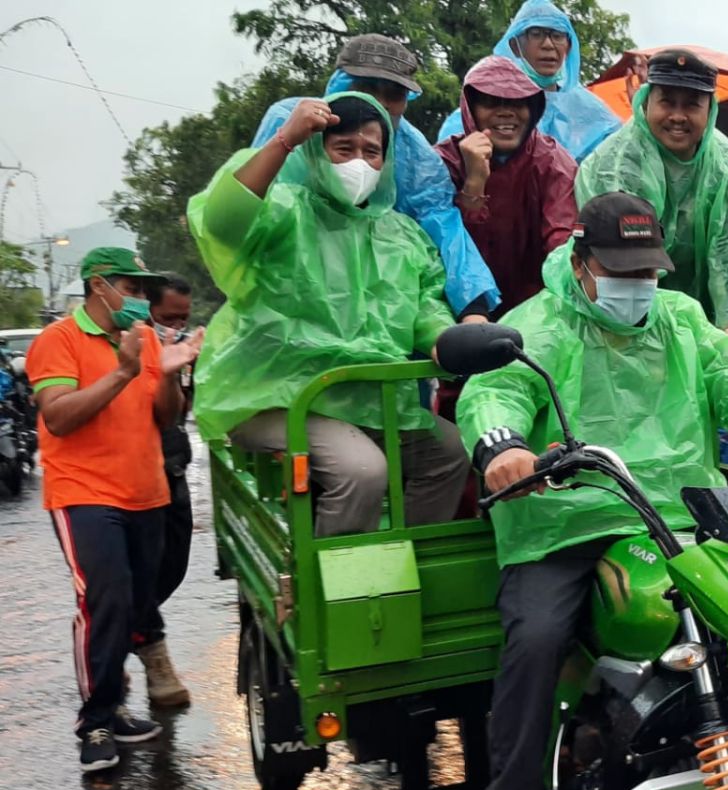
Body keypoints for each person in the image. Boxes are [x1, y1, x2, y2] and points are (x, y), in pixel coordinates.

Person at [456, 192, 728, 790]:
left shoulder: (681, 317)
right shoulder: (540, 324)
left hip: (679, 516)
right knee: (537, 638)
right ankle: (513, 788)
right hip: (566, 520)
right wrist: (502, 448)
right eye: (621, 271)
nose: (637, 284)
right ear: (583, 260)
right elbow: (495, 391)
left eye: (646, 271)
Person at [189, 92, 470, 537]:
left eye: (371, 151)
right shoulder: (284, 213)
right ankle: (334, 594)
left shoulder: (401, 235)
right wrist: (284, 140)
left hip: (363, 399)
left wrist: (446, 339)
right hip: (274, 394)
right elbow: (222, 222)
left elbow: (424, 305)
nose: (358, 163)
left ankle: (408, 563)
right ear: (318, 153)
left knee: (451, 451)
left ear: (386, 160)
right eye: (344, 149)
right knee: (362, 471)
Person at [24, 247, 204, 771]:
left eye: (143, 291)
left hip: (146, 491)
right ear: (98, 285)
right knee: (105, 602)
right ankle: (97, 720)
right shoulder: (56, 341)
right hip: (83, 494)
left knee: (134, 604)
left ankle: (117, 712)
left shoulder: (145, 339)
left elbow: (165, 417)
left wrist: (168, 374)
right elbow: (57, 417)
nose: (140, 300)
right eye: (131, 288)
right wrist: (124, 372)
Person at [251, 34, 500, 318]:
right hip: (288, 297)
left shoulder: (416, 156)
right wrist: (285, 140)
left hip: (378, 305)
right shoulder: (289, 122)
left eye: (394, 94)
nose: (380, 102)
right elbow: (249, 211)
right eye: (368, 87)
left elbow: (442, 224)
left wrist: (473, 307)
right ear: (344, 83)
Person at [575, 49, 728, 349]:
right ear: (647, 101)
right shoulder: (615, 162)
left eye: (692, 105)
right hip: (622, 313)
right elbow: (618, 256)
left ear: (710, 110)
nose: (678, 116)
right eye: (667, 102)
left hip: (706, 327)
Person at [434, 56, 577, 322]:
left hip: (537, 314)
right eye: (491, 102)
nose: (506, 112)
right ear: (470, 110)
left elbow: (562, 244)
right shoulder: (443, 162)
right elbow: (440, 245)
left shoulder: (552, 161)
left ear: (533, 108)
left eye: (517, 102)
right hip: (455, 313)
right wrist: (474, 184)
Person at [437, 0, 620, 162]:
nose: (548, 45)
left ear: (569, 46)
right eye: (536, 33)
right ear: (515, 46)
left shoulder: (591, 111)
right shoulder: (479, 109)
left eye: (557, 36)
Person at [130, 274, 195, 707]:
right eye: (166, 317)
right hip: (127, 470)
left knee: (174, 561)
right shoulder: (125, 344)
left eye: (182, 318)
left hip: (171, 462)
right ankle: (148, 646)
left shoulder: (182, 347)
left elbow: (180, 409)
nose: (174, 326)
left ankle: (123, 627)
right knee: (136, 567)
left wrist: (176, 369)